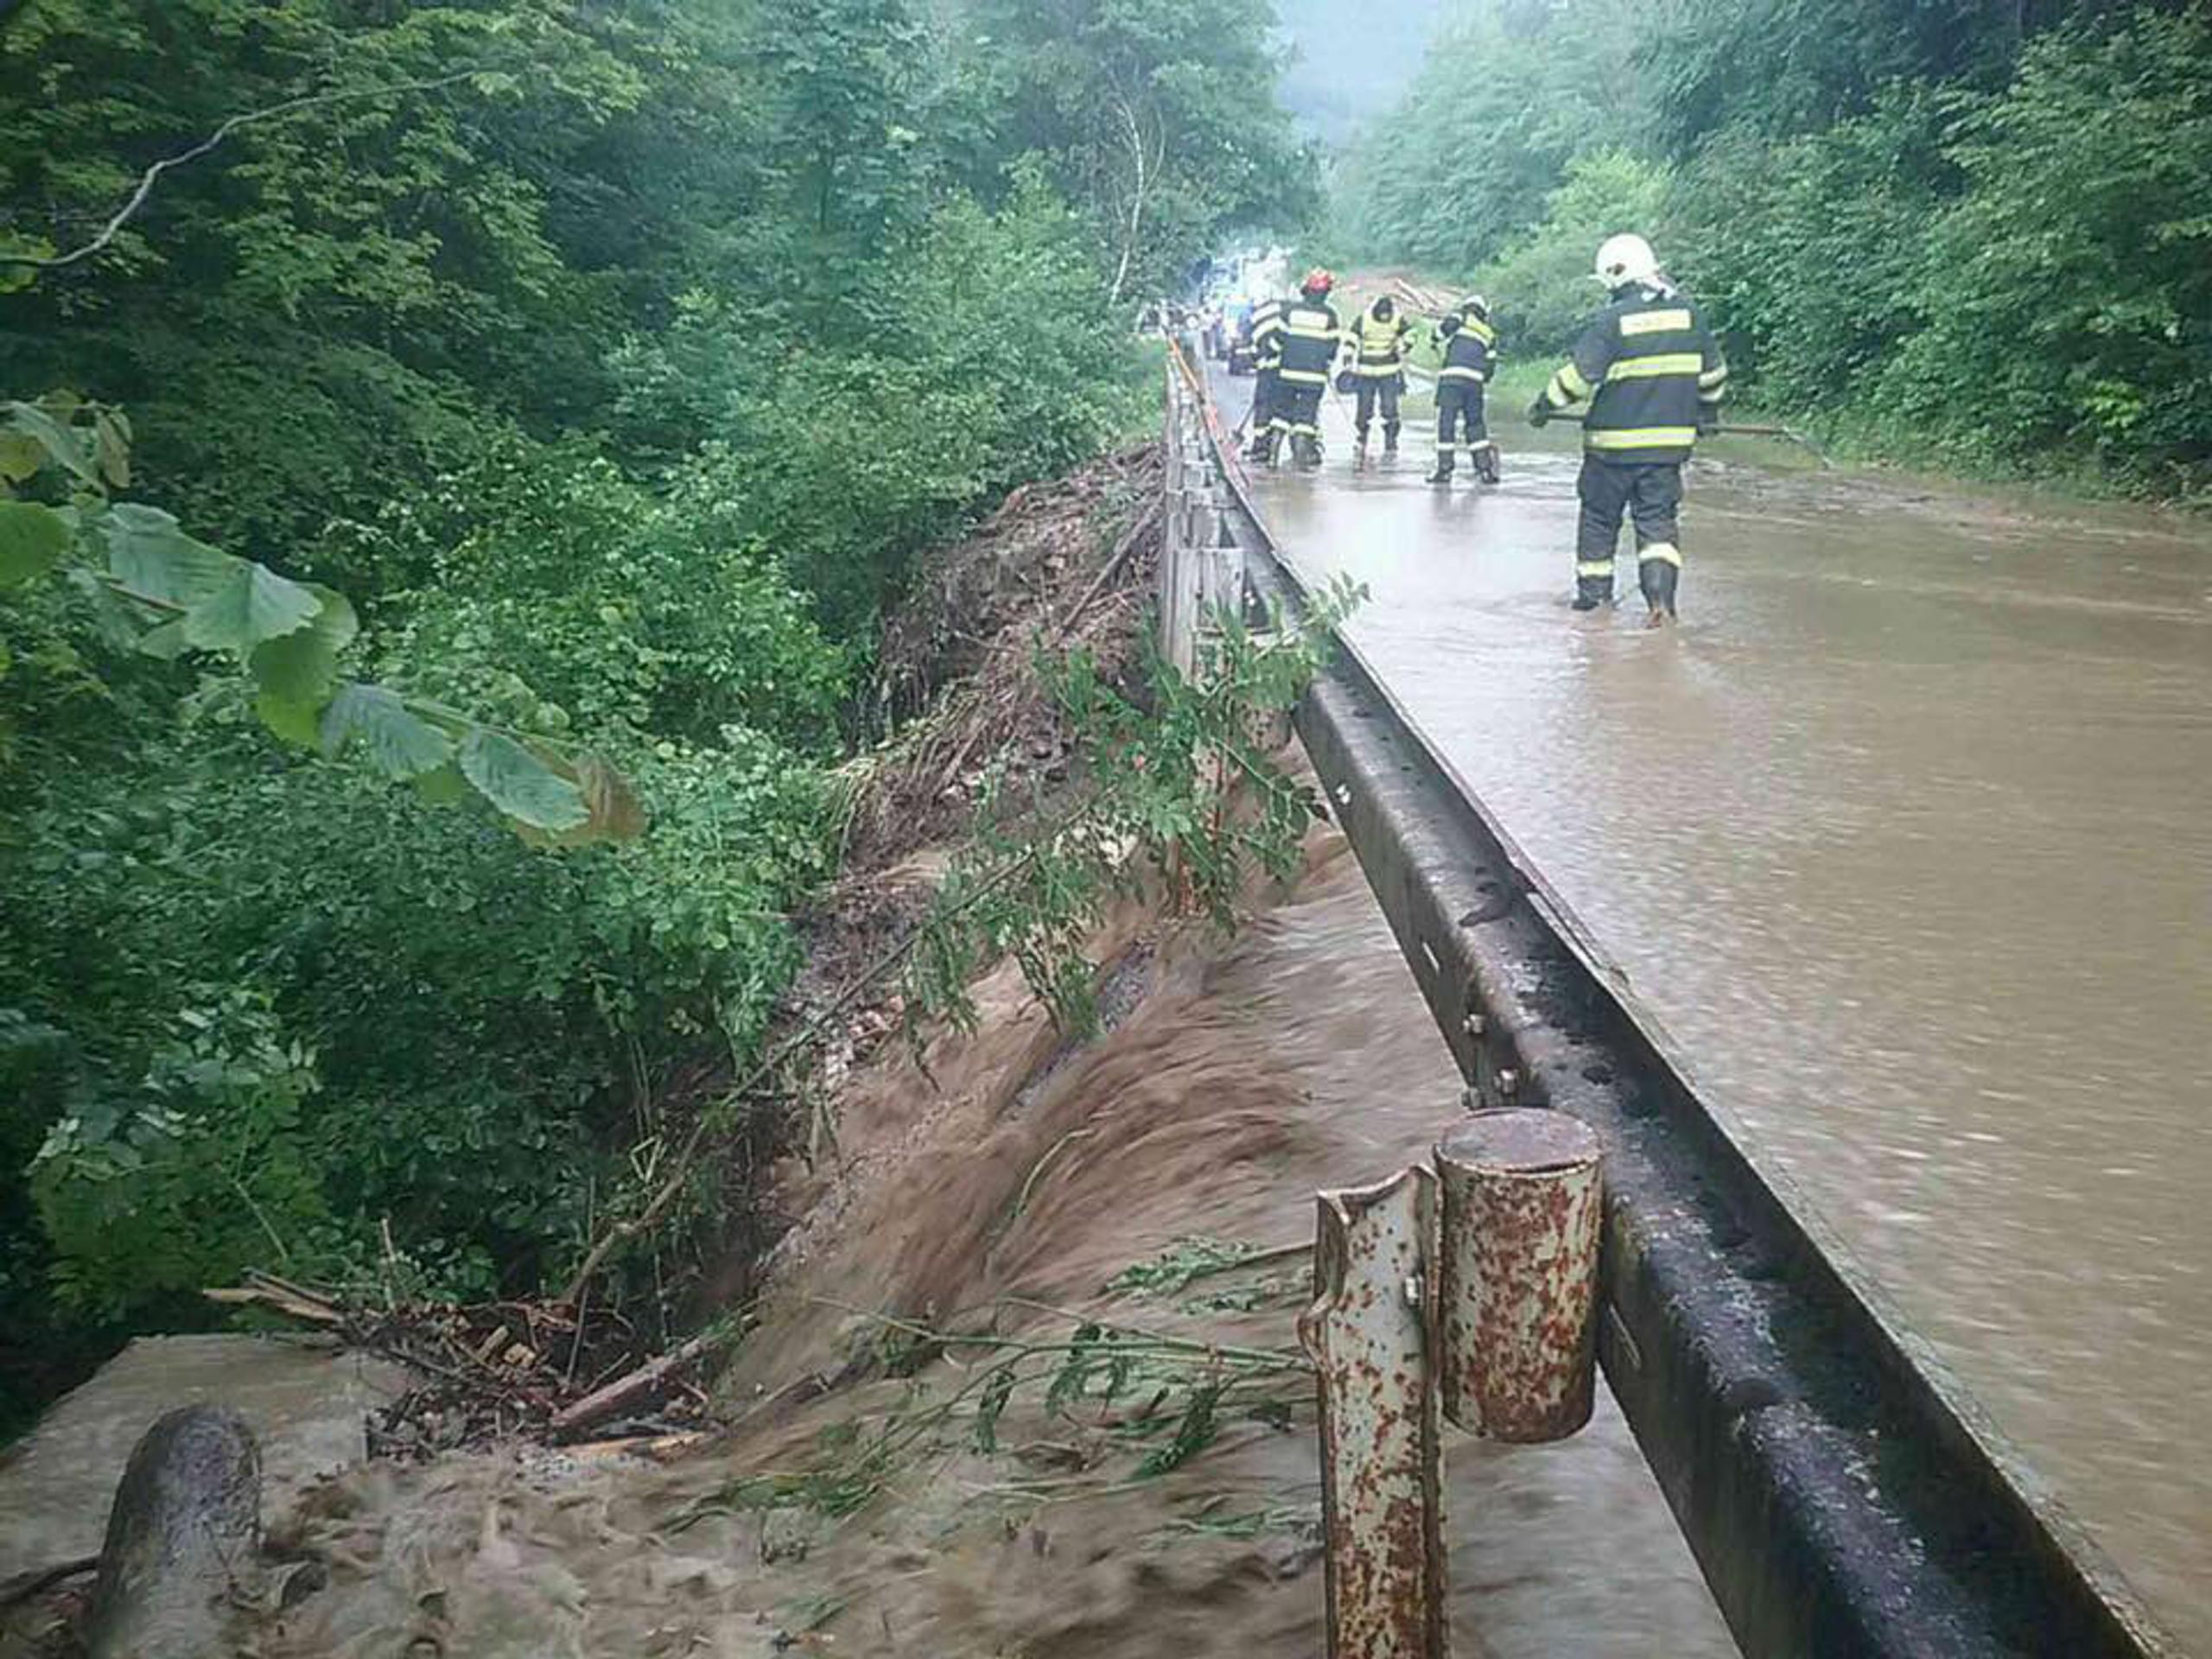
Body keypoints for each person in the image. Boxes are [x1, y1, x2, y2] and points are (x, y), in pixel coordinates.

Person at [1529, 233, 1728, 623]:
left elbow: (1578, 379)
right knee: (1657, 525)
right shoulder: (1690, 315)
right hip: (1666, 452)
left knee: (1600, 522)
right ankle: (1661, 605)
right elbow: (1714, 376)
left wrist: (1543, 405)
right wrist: (1707, 415)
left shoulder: (1612, 320)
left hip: (1610, 450)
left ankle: (1593, 605)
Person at [1260, 269, 1342, 470]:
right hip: (1314, 378)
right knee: (1305, 419)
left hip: (1286, 374)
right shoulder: (1330, 316)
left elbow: (1276, 341)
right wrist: (1324, 361)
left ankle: (1273, 455)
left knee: (1281, 415)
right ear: (1326, 293)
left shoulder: (1289, 311)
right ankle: (1300, 459)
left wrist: (1270, 358)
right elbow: (1332, 348)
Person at [1427, 294, 1501, 486]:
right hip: (1474, 385)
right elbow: (1490, 370)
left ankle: (1444, 470)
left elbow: (1440, 333)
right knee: (1475, 425)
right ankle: (1484, 469)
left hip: (1451, 381)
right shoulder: (1489, 334)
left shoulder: (1460, 319)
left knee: (1447, 424)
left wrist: (1434, 339)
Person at [1345, 293, 1415, 459]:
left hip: (1389, 371)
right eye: (1382, 316)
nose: (1385, 318)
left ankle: (1391, 440)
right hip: (1366, 372)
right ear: (1376, 312)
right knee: (1364, 409)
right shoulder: (1364, 319)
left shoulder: (1397, 319)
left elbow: (1411, 333)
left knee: (1390, 408)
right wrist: (1348, 356)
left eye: (1387, 315)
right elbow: (1352, 337)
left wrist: (1405, 346)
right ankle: (1362, 437)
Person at [1243, 296, 1284, 461]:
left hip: (1266, 371)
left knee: (1263, 406)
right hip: (1285, 370)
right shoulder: (1285, 312)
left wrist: (1257, 361)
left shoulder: (1255, 318)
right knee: (1282, 408)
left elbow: (1252, 349)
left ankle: (1261, 446)